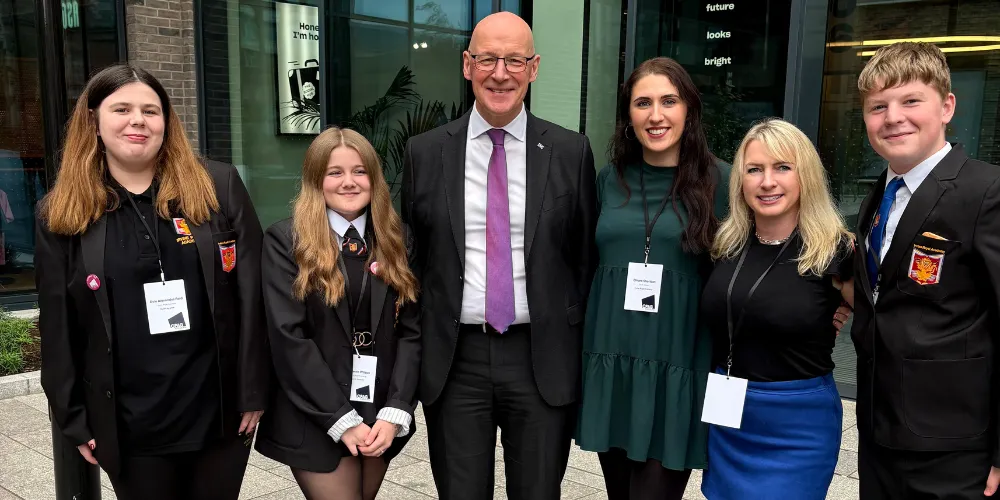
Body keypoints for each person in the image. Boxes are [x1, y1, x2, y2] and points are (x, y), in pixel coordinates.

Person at [35, 63, 269, 500]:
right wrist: (73, 418)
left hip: (217, 413)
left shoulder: (217, 185)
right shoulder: (62, 212)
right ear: (94, 121)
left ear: (167, 121)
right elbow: (57, 325)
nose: (137, 120)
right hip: (127, 424)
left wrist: (253, 390)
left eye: (151, 110)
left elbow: (253, 295)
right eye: (121, 108)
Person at [400, 11, 598, 500]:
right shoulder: (424, 153)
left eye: (514, 60)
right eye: (488, 58)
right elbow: (411, 256)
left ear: (534, 68)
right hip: (455, 359)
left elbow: (584, 258)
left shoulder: (571, 152)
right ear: (468, 65)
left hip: (542, 357)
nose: (500, 72)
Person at [574, 57, 729, 500]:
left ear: (689, 110)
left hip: (677, 367)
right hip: (612, 363)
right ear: (628, 115)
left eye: (668, 101)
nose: (655, 115)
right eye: (643, 103)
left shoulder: (720, 181)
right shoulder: (610, 179)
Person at [850, 41, 1000, 498]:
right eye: (878, 106)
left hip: (953, 449)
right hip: (879, 436)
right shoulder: (879, 194)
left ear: (947, 106)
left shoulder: (986, 191)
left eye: (911, 100)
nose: (893, 117)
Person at [254, 127, 420, 500]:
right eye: (335, 172)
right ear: (316, 180)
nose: (349, 182)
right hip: (315, 409)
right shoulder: (286, 241)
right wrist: (340, 420)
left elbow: (413, 331)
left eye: (359, 171)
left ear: (374, 179)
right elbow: (289, 338)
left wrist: (396, 410)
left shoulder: (397, 239)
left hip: (379, 411)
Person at [699, 118, 854, 499]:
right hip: (729, 415)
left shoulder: (836, 250)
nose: (768, 182)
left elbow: (890, 322)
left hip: (798, 426)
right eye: (754, 170)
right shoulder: (725, 244)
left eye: (783, 167)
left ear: (806, 177)